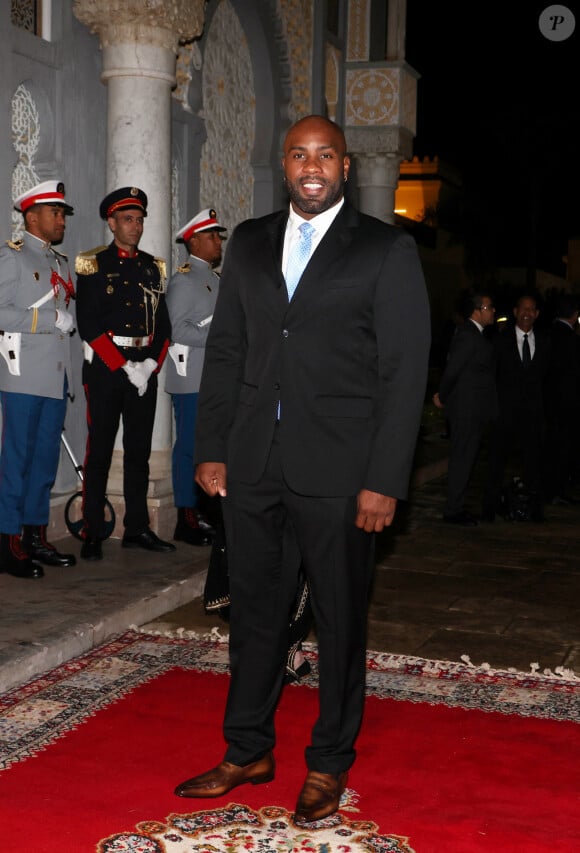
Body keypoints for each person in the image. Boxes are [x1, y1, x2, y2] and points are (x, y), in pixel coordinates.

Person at [173, 115, 430, 824]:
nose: (311, 166)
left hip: (344, 473)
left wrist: (386, 478)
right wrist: (212, 447)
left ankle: (328, 762)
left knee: (340, 619)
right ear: (283, 165)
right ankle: (248, 747)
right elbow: (227, 349)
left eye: (325, 155)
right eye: (299, 154)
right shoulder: (251, 241)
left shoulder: (385, 249)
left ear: (345, 167)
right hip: (254, 464)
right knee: (255, 613)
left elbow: (404, 372)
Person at [75, 187, 175, 561]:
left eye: (140, 219)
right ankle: (92, 529)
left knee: (139, 452)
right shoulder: (93, 263)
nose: (137, 226)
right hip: (105, 370)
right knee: (99, 450)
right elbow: (88, 324)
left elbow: (163, 327)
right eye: (129, 220)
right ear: (112, 222)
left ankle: (137, 528)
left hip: (144, 371)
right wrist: (121, 366)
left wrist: (149, 364)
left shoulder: (153, 266)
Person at [0, 181, 77, 579]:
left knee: (44, 462)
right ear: (32, 217)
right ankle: (8, 540)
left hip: (54, 377)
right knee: (18, 460)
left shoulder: (60, 263)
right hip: (23, 376)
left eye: (62, 213)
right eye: (55, 213)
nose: (61, 219)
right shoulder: (11, 258)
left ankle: (35, 535)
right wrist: (49, 319)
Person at [165, 208, 226, 546]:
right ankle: (185, 516)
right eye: (213, 236)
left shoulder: (216, 280)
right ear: (195, 241)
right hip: (191, 379)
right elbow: (176, 329)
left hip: (212, 379)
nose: (219, 242)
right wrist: (219, 338)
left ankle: (205, 508)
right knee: (189, 446)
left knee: (210, 446)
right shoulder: (184, 280)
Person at [482, 294, 550, 522]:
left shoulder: (545, 341)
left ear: (537, 314)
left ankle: (535, 509)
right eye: (523, 309)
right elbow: (491, 376)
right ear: (515, 311)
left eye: (531, 309)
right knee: (496, 461)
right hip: (505, 413)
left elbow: (548, 379)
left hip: (533, 414)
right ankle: (490, 508)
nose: (527, 313)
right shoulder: (501, 341)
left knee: (534, 463)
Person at [433, 290, 497, 526]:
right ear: (477, 310)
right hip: (466, 411)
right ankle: (453, 510)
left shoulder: (476, 335)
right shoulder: (468, 335)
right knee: (462, 458)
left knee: (466, 458)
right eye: (489, 308)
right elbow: (452, 370)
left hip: (473, 409)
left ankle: (456, 506)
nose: (492, 312)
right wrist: (443, 395)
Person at [543, 293, 580, 504]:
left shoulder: (547, 335)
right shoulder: (572, 341)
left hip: (549, 401)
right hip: (568, 404)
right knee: (562, 447)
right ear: (575, 315)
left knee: (551, 445)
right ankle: (556, 489)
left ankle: (549, 487)